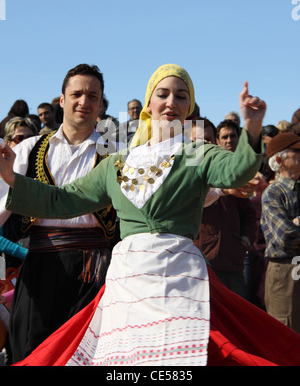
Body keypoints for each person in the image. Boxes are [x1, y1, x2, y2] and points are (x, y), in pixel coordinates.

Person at [1, 64, 300, 367]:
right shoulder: (117, 162)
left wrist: (251, 127)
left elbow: (236, 171)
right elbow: (63, 200)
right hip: (127, 282)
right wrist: (12, 178)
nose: (171, 102)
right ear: (148, 103)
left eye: (181, 96)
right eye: (163, 94)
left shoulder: (197, 153)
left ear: (189, 107)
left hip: (180, 280)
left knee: (176, 363)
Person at [0, 63, 116, 364]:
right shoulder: (28, 149)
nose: (84, 101)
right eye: (76, 93)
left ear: (101, 103)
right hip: (40, 263)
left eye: (93, 95)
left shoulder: (118, 154)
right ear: (61, 100)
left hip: (96, 270)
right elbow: (1, 205)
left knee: (86, 355)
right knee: (32, 350)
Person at [195, 119, 257, 298]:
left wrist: (243, 242)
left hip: (231, 261)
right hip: (198, 262)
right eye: (198, 140)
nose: (204, 144)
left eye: (208, 139)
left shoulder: (231, 172)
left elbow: (249, 213)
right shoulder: (182, 175)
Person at [261, 132, 300, 334]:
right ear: (279, 159)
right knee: (286, 334)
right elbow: (286, 237)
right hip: (285, 271)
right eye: (297, 151)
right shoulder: (273, 192)